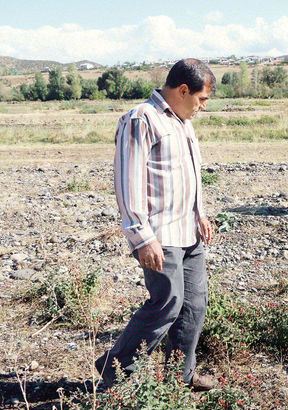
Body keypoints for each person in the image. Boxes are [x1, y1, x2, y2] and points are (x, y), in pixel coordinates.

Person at [95, 58, 217, 391]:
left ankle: (182, 376)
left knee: (194, 305)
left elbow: (189, 175)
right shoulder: (141, 119)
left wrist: (199, 213)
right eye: (202, 99)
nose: (203, 107)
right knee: (167, 302)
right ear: (182, 90)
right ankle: (115, 370)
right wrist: (140, 236)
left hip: (188, 231)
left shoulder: (182, 121)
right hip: (160, 235)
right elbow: (128, 181)